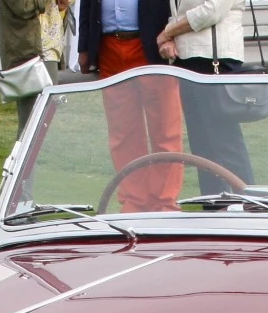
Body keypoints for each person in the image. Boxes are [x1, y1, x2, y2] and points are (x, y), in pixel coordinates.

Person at [79, 0, 185, 212]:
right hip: (109, 48)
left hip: (152, 46)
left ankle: (164, 203)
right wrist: (84, 47)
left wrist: (172, 36)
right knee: (122, 134)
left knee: (165, 131)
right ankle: (133, 201)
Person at [157, 0, 254, 194]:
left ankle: (248, 202)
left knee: (224, 141)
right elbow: (178, 10)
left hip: (215, 59)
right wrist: (169, 38)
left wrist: (168, 32)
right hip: (187, 59)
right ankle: (213, 205)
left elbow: (213, 10)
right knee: (202, 145)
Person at [0, 0, 50, 127]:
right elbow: (23, 8)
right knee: (29, 121)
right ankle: (23, 146)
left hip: (27, 50)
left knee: (37, 117)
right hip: (21, 52)